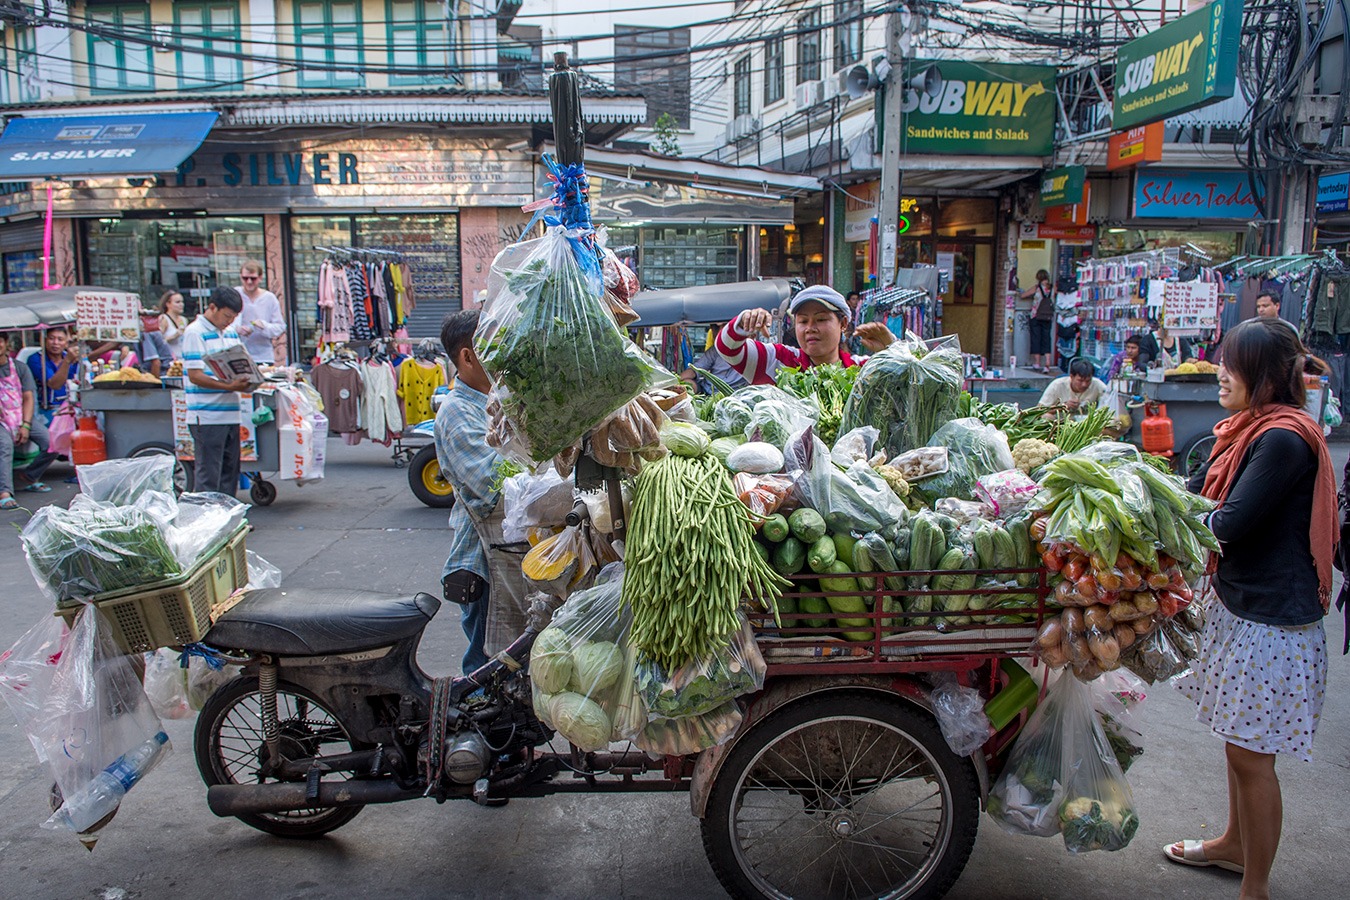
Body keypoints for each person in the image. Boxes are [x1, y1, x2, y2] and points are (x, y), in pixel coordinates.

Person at [1165, 318, 1335, 900]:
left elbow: (1230, 524)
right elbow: (1199, 490)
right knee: (1239, 746)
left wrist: (1163, 515)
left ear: (1264, 377)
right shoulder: (1246, 430)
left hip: (1274, 624)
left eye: (1233, 365)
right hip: (1244, 610)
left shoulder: (1283, 439)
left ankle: (1255, 888)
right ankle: (1234, 845)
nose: (1221, 374)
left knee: (1253, 757)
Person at [435, 309, 531, 674]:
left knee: (515, 662)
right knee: (487, 669)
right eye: (493, 345)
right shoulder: (457, 413)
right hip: (483, 566)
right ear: (468, 356)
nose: (503, 354)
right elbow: (492, 486)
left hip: (510, 554)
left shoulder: (499, 400)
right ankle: (474, 731)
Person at [716, 285, 895, 385]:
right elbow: (727, 350)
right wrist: (743, 322)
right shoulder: (777, 360)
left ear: (843, 324)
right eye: (802, 321)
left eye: (821, 319)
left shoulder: (862, 368)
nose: (810, 328)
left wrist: (893, 350)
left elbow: (912, 386)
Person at [182, 286, 251, 495]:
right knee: (209, 474)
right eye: (227, 316)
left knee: (230, 473)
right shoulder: (195, 332)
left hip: (231, 413)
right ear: (212, 307)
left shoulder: (230, 332)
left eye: (234, 317)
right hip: (207, 415)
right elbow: (195, 375)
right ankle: (207, 521)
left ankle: (228, 519)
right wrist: (229, 386)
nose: (229, 321)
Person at [1, 338, 59, 509]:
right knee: (4, 446)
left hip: (20, 415)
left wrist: (25, 425)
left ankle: (31, 476)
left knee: (52, 442)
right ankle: (4, 492)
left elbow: (28, 397)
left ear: (6, 344)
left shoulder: (19, 367)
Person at [234, 260, 286, 365]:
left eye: (253, 279)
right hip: (238, 354)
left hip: (263, 356)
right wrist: (236, 329)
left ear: (260, 278)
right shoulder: (235, 294)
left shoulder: (269, 298)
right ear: (241, 277)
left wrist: (263, 326)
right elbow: (223, 324)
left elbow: (280, 327)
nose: (249, 282)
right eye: (245, 278)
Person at [26, 325, 79, 423]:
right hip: (46, 410)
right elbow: (54, 384)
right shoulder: (36, 359)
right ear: (44, 340)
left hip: (69, 406)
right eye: (51, 338)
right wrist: (67, 361)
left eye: (60, 339)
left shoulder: (69, 357)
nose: (55, 343)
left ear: (66, 343)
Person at [680, 328, 749, 395]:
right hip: (708, 390)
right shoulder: (715, 350)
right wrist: (676, 381)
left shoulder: (750, 352)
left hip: (735, 393)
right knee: (687, 383)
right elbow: (695, 369)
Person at [1038, 358, 1107, 411]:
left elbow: (1109, 400)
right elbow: (1039, 409)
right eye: (1080, 381)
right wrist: (1063, 407)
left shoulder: (1097, 384)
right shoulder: (1057, 385)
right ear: (1071, 377)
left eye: (1088, 381)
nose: (1084, 385)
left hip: (1087, 423)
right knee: (1046, 416)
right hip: (1060, 422)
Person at [1022, 269, 1055, 373]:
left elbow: (1023, 295)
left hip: (1036, 316)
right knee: (1046, 338)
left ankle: (1037, 363)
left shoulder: (1037, 288)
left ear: (1038, 278)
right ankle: (1047, 363)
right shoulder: (1053, 288)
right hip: (1048, 317)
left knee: (1036, 338)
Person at [157, 290, 187, 359]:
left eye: (182, 302)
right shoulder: (164, 319)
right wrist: (173, 336)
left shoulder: (183, 320)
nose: (181, 305)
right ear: (168, 304)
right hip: (170, 359)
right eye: (177, 302)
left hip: (183, 358)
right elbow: (159, 342)